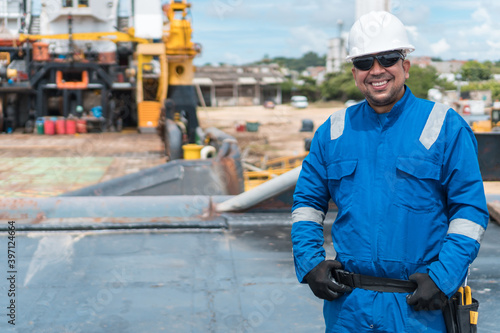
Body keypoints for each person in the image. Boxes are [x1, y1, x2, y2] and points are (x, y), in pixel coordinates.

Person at [291, 11, 489, 332]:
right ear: (354, 72)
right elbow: (307, 205)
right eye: (365, 63)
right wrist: (310, 262)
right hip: (348, 309)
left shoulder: (444, 126)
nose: (377, 70)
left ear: (405, 66)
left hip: (418, 308)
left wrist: (443, 277)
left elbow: (469, 211)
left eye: (387, 59)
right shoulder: (333, 131)